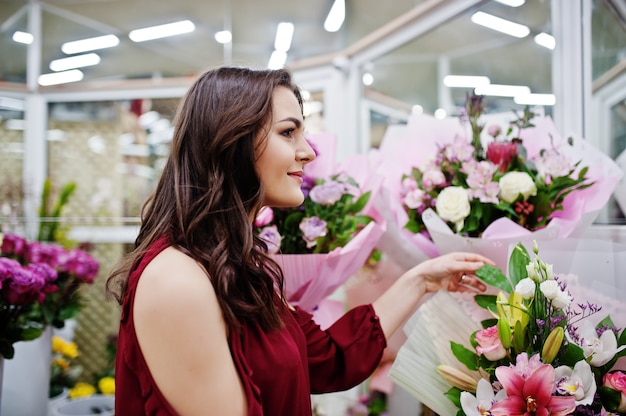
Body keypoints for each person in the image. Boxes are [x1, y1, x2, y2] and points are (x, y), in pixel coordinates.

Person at [106, 66, 494, 415]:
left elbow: (326, 359)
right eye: (288, 132)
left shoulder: (236, 267)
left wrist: (422, 279)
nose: (308, 152)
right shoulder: (177, 280)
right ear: (231, 141)